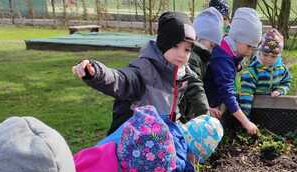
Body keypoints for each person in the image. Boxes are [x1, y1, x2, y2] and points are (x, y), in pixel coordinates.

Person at [72, 12, 209, 135]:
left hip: (163, 137)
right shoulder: (144, 71)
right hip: (135, 141)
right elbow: (120, 79)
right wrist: (97, 72)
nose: (181, 54)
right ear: (163, 44)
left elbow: (195, 87)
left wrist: (204, 114)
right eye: (175, 46)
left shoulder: (182, 72)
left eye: (187, 50)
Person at [204, 7, 262, 135]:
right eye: (249, 46)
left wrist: (237, 65)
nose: (250, 52)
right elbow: (227, 93)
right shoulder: (222, 58)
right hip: (207, 104)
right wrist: (246, 122)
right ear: (238, 38)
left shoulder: (228, 48)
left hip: (214, 101)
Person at [180, 7, 224, 120]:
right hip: (181, 111)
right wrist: (205, 113)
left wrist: (206, 108)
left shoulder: (200, 57)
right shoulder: (193, 58)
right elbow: (194, 85)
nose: (211, 51)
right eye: (211, 45)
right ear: (198, 38)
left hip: (187, 110)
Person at [239, 28, 291, 117]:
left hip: (273, 107)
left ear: (278, 56)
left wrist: (280, 90)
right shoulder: (252, 72)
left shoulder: (281, 69)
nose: (268, 59)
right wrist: (245, 116)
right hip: (254, 108)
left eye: (273, 56)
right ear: (260, 52)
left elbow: (286, 82)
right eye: (265, 55)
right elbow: (246, 94)